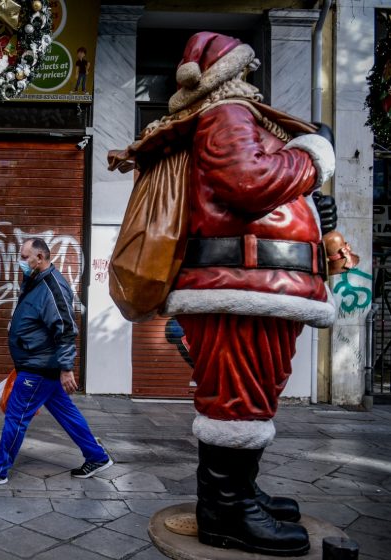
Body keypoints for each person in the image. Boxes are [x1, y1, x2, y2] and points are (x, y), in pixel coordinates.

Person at [109, 32, 337, 556]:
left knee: (253, 395)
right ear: (229, 72)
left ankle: (239, 495)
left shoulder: (231, 116)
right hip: (239, 289)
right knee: (238, 397)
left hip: (254, 287)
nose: (253, 73)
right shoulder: (227, 114)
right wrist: (314, 157)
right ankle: (227, 511)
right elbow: (249, 182)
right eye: (246, 65)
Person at [0, 238, 113, 485]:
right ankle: (96, 456)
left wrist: (66, 368)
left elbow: (65, 329)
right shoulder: (36, 280)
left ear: (40, 258)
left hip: (40, 367)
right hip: (39, 363)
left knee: (16, 415)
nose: (20, 261)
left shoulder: (53, 287)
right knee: (66, 413)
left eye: (25, 257)